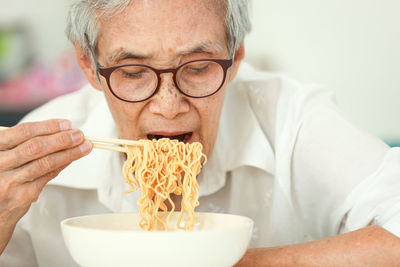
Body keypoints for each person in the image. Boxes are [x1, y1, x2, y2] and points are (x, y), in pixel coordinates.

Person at [1, 0, 400, 266]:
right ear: (88, 65)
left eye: (198, 67)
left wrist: (221, 260)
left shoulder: (290, 117)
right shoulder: (35, 159)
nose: (169, 104)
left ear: (236, 55)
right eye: (134, 73)